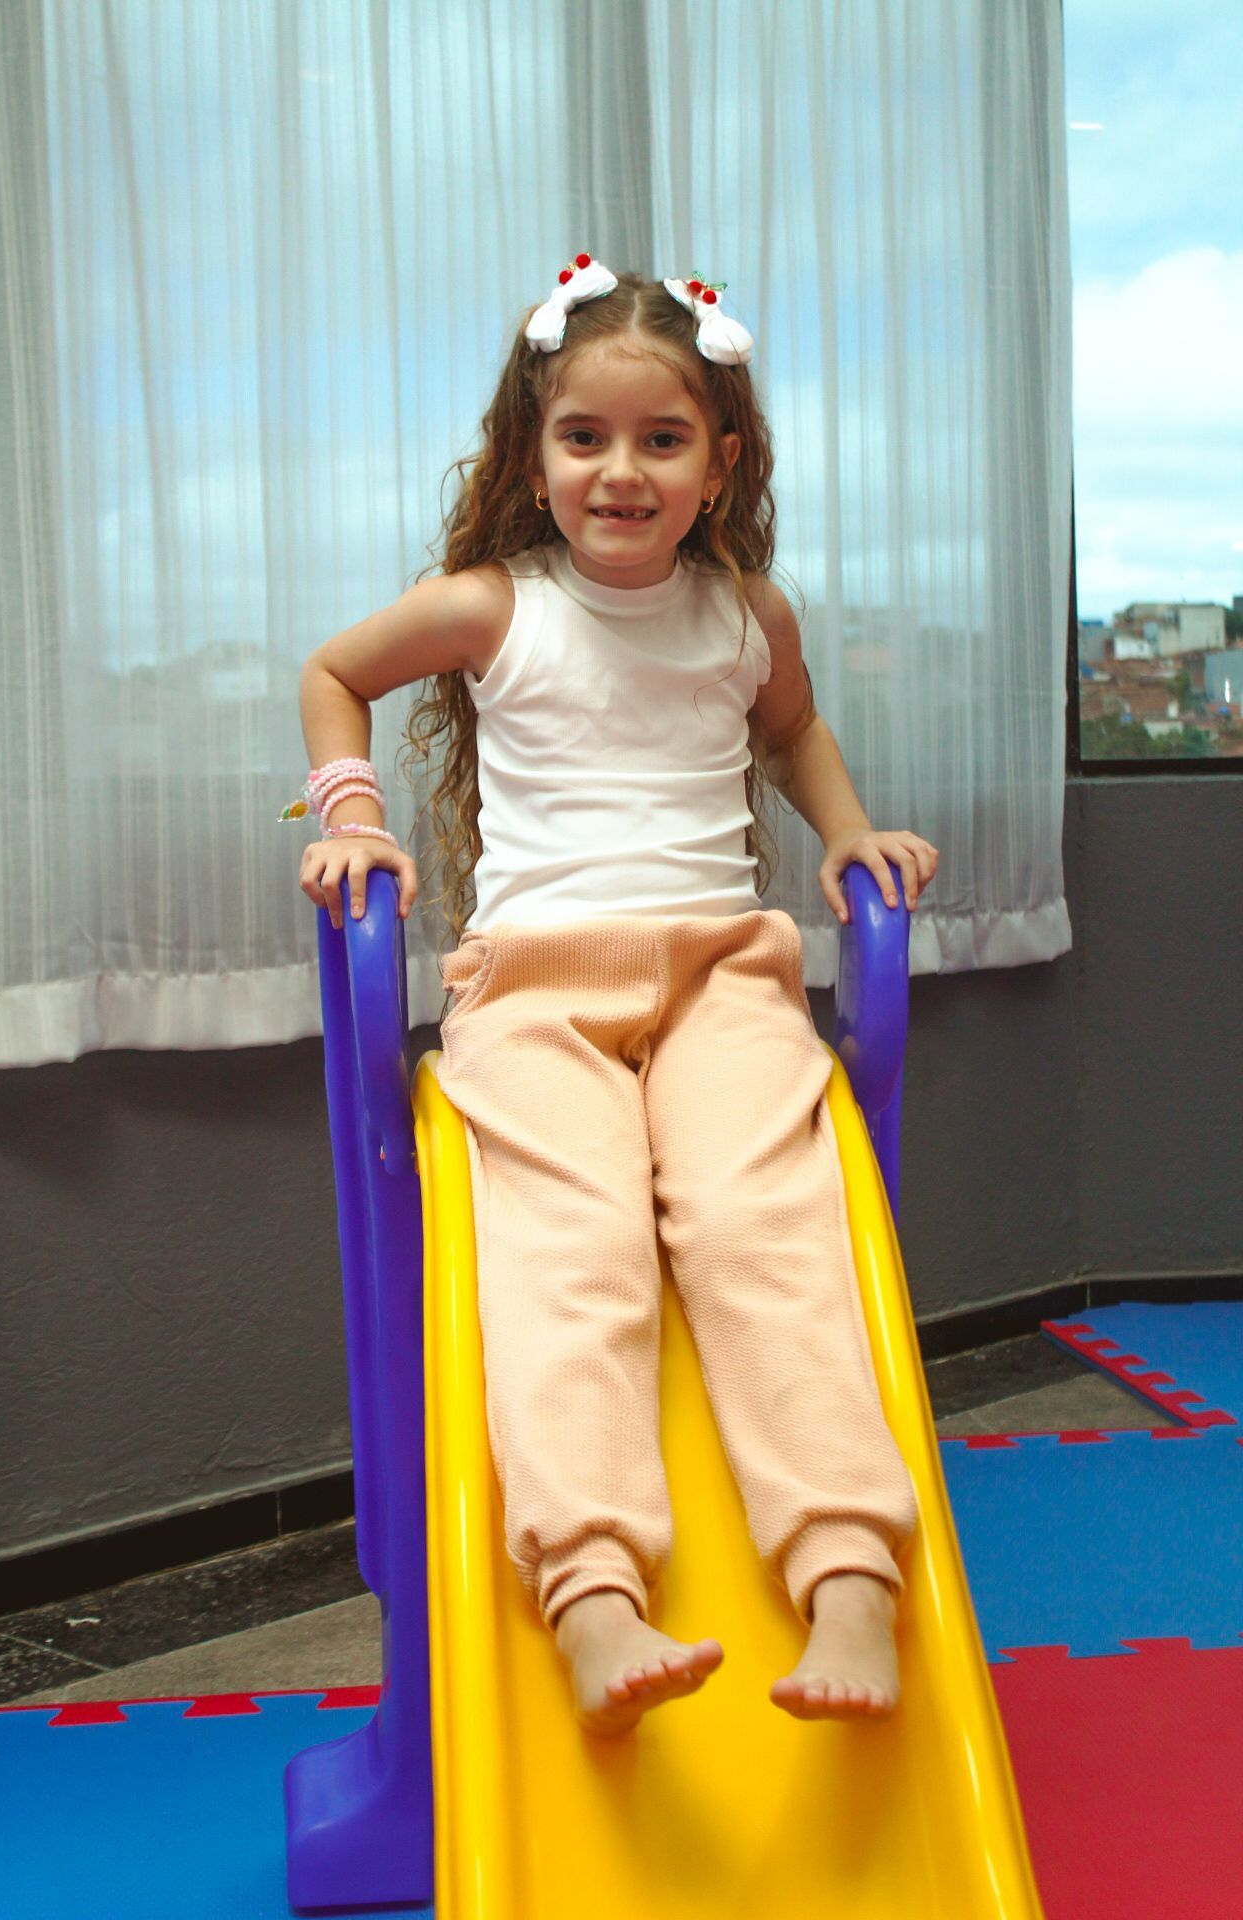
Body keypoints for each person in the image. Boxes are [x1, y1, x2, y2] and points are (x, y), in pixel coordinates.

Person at [295, 254, 939, 1739]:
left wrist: (847, 833)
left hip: (723, 976)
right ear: (536, 449)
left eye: (662, 440)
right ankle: (589, 1593)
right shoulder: (489, 605)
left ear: (723, 463)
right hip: (534, 995)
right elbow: (334, 672)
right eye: (584, 436)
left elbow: (795, 732)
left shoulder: (746, 614)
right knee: (572, 1253)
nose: (620, 470)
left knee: (765, 1228)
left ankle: (849, 1569)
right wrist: (347, 815)